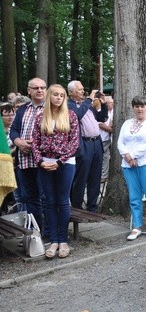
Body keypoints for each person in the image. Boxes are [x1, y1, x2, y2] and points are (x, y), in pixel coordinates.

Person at [32, 84, 79, 259]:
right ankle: (53, 240)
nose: (58, 98)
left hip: (65, 163)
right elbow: (35, 143)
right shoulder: (40, 117)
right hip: (45, 163)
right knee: (49, 201)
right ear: (49, 96)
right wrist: (41, 161)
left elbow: (74, 143)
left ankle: (63, 240)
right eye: (55, 95)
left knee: (62, 201)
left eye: (61, 95)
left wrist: (59, 162)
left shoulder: (70, 115)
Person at [117, 96, 146, 241]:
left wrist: (134, 156)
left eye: (142, 106)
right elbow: (120, 141)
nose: (139, 109)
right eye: (136, 106)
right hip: (128, 165)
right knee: (134, 197)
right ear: (133, 108)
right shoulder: (126, 123)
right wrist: (127, 156)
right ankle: (137, 226)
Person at [10, 78, 47, 234]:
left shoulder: (52, 108)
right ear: (28, 91)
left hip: (44, 161)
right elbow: (14, 131)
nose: (39, 90)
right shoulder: (22, 109)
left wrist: (34, 144)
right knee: (29, 198)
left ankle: (50, 233)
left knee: (46, 198)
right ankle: (35, 232)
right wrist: (19, 142)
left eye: (42, 87)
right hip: (24, 161)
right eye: (36, 88)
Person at [68, 80, 108, 212]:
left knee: (95, 177)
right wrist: (90, 99)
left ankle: (92, 207)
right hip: (84, 144)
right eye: (79, 89)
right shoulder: (70, 105)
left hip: (97, 143)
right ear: (71, 92)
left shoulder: (87, 105)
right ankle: (77, 208)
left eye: (82, 89)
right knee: (81, 178)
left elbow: (102, 118)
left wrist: (103, 103)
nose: (82, 91)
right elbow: (77, 115)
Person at [99, 96, 114, 182]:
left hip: (110, 138)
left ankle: (107, 174)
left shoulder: (114, 111)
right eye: (109, 103)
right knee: (104, 157)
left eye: (111, 102)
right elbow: (100, 124)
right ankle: (103, 176)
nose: (110, 104)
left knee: (110, 156)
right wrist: (111, 130)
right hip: (103, 137)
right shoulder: (101, 111)